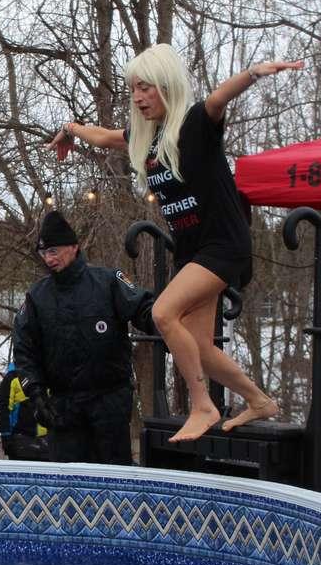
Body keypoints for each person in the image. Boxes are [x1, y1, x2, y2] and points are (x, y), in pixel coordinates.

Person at [48, 44, 302, 442]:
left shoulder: (196, 123)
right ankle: (259, 400)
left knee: (164, 314)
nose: (137, 98)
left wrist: (253, 73)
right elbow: (102, 137)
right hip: (193, 250)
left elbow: (219, 97)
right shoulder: (146, 137)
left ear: (166, 85)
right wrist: (70, 129)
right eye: (133, 89)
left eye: (145, 88)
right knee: (198, 345)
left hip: (222, 244)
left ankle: (203, 405)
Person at [12, 211, 157, 464]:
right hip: (64, 407)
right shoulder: (37, 296)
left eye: (54, 251)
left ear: (74, 247)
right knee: (69, 486)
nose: (49, 259)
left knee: (114, 479)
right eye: (44, 253)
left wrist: (166, 323)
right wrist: (35, 394)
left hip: (109, 402)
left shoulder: (108, 281)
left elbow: (144, 309)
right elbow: (25, 349)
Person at [0, 362, 49, 461]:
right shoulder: (12, 377)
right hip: (20, 441)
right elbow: (4, 409)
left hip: (48, 441)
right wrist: (5, 436)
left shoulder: (48, 374)